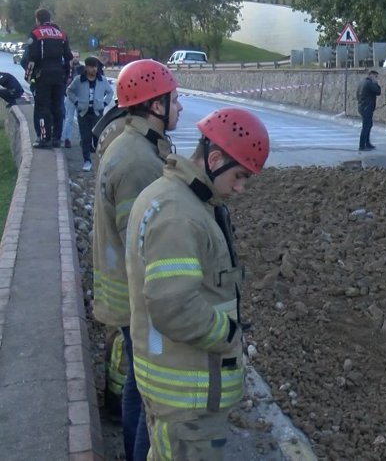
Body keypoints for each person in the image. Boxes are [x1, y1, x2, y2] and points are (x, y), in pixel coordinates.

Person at [125, 107, 270, 460]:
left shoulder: (183, 199)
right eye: (238, 176)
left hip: (184, 393)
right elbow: (173, 308)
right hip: (187, 399)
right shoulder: (179, 214)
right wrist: (230, 334)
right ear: (215, 158)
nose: (241, 188)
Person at [93, 59, 182, 461]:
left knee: (135, 383)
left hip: (127, 295)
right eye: (174, 100)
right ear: (155, 106)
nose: (179, 107)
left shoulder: (135, 145)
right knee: (147, 394)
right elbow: (143, 240)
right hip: (136, 300)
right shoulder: (138, 162)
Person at [20, 8, 73, 148]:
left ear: (37, 19)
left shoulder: (36, 33)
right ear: (50, 18)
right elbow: (69, 58)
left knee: (42, 108)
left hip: (43, 75)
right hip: (59, 76)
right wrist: (67, 76)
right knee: (58, 107)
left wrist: (29, 77)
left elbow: (32, 58)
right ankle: (57, 138)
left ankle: (44, 138)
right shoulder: (62, 34)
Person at [66, 57, 115, 171]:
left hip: (97, 112)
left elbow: (110, 92)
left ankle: (101, 160)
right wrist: (77, 102)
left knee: (99, 137)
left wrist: (104, 103)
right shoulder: (79, 80)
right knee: (85, 137)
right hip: (83, 112)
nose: (94, 69)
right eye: (91, 67)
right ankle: (87, 160)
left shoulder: (102, 80)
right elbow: (69, 91)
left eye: (95, 67)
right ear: (86, 67)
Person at [61, 52, 82, 147]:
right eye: (74, 57)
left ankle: (83, 139)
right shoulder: (65, 68)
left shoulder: (82, 69)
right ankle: (67, 139)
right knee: (69, 118)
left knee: (82, 118)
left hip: (81, 96)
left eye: (77, 57)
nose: (75, 59)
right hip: (69, 96)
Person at [357, 69, 381, 151]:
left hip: (363, 106)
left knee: (368, 125)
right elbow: (378, 91)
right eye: (376, 76)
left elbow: (357, 95)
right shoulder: (369, 83)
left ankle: (367, 143)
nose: (376, 78)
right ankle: (362, 146)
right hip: (367, 107)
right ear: (371, 75)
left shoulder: (362, 82)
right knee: (366, 126)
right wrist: (376, 83)